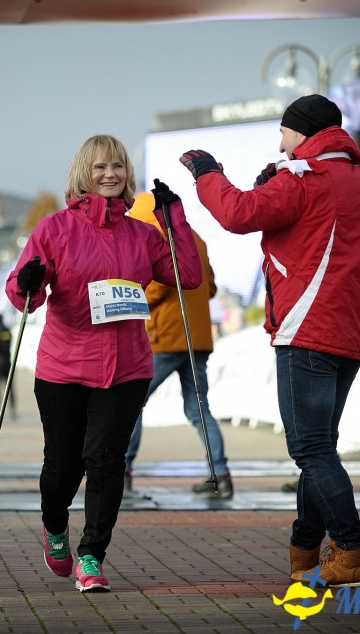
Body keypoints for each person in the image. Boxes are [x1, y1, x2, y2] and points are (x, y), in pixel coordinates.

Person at [180, 93, 360, 587]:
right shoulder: (354, 178)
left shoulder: (305, 177)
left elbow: (237, 213)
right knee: (320, 446)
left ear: (303, 132)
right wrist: (276, 178)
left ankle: (351, 551)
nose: (281, 143)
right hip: (349, 327)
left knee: (309, 448)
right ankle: (306, 549)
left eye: (285, 133)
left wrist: (207, 172)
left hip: (307, 328)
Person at [5, 134, 201, 593]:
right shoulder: (54, 229)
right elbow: (24, 295)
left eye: (117, 166)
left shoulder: (143, 234)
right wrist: (27, 282)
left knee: (107, 461)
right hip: (64, 368)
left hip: (126, 368)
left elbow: (188, 276)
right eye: (100, 167)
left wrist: (173, 217)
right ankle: (55, 529)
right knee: (62, 469)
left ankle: (91, 556)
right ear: (83, 173)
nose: (110, 174)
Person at [122, 193, 232, 498]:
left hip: (166, 339)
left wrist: (126, 297)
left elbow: (156, 288)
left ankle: (123, 471)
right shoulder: (195, 239)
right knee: (199, 409)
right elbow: (209, 287)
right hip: (197, 339)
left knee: (132, 401)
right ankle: (220, 475)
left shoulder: (154, 238)